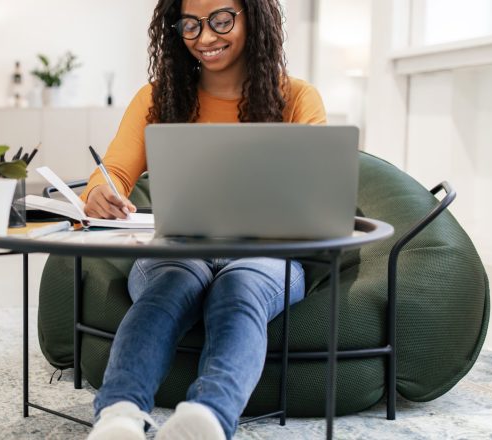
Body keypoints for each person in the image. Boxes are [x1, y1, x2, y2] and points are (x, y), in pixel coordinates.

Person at [81, 0, 327, 439]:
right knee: (170, 283)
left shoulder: (297, 97)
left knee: (242, 285)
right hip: (179, 250)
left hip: (267, 254)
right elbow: (115, 171)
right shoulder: (156, 97)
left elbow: (315, 188)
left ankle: (207, 418)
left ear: (255, 18)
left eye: (221, 20)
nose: (205, 37)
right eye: (191, 24)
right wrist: (101, 191)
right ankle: (118, 416)